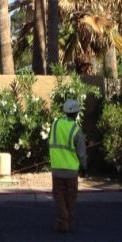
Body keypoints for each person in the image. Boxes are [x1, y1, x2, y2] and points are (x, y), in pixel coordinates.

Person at [48, 98, 87, 234]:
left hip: (57, 168)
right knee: (71, 196)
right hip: (71, 170)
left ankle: (63, 220)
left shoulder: (55, 124)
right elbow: (81, 153)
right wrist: (84, 168)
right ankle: (67, 219)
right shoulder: (77, 130)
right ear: (76, 114)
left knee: (58, 195)